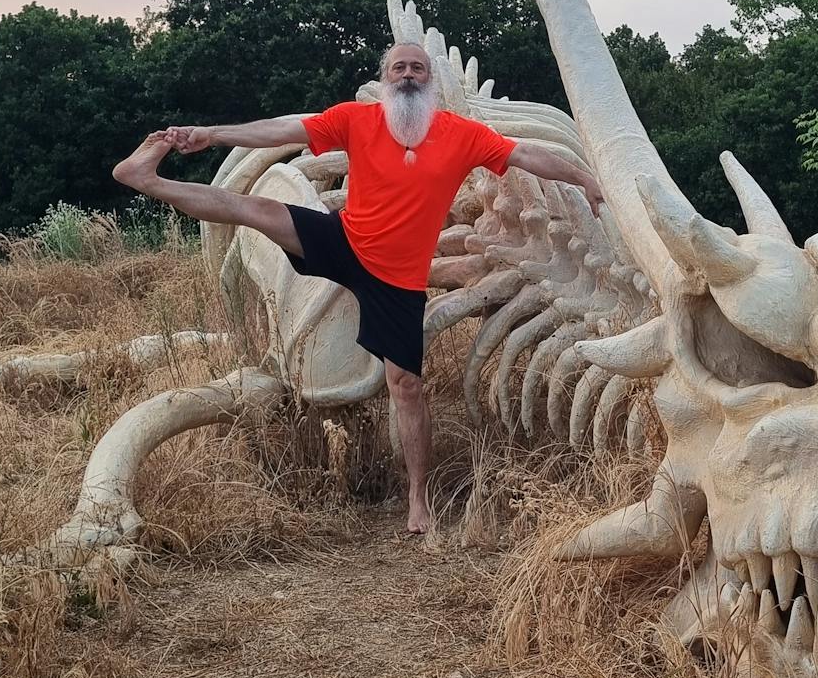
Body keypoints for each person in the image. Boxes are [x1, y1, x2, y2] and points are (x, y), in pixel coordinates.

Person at [111, 41, 603, 537]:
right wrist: (210, 135)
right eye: (399, 67)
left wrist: (583, 176)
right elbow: (282, 128)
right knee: (250, 209)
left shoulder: (461, 135)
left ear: (429, 81)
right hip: (344, 241)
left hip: (400, 280)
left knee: (407, 388)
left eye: (417, 68)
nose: (408, 74)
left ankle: (417, 501)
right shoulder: (356, 119)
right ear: (385, 77)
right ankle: (146, 178)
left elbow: (525, 153)